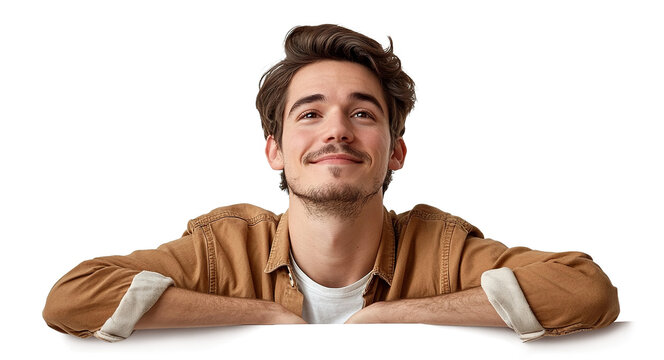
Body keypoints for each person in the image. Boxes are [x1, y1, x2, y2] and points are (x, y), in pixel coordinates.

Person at [42, 24, 619, 343]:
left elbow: (586, 290)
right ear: (275, 150)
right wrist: (265, 317)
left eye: (363, 114)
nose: (337, 131)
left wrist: (389, 317)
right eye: (310, 114)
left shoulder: (441, 251)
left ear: (395, 151)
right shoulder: (223, 250)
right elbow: (73, 296)